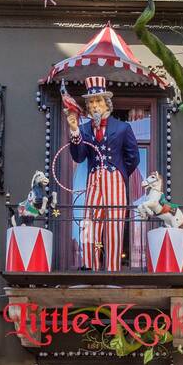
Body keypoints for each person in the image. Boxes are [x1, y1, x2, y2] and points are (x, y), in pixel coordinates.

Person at [67, 75, 139, 272]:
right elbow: (79, 156)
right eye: (90, 102)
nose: (94, 105)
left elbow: (133, 158)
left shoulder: (123, 127)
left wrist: (118, 173)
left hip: (114, 179)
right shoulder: (83, 129)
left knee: (115, 226)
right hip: (94, 180)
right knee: (90, 224)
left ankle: (113, 270)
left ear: (107, 103)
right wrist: (74, 131)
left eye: (98, 101)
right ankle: (89, 266)